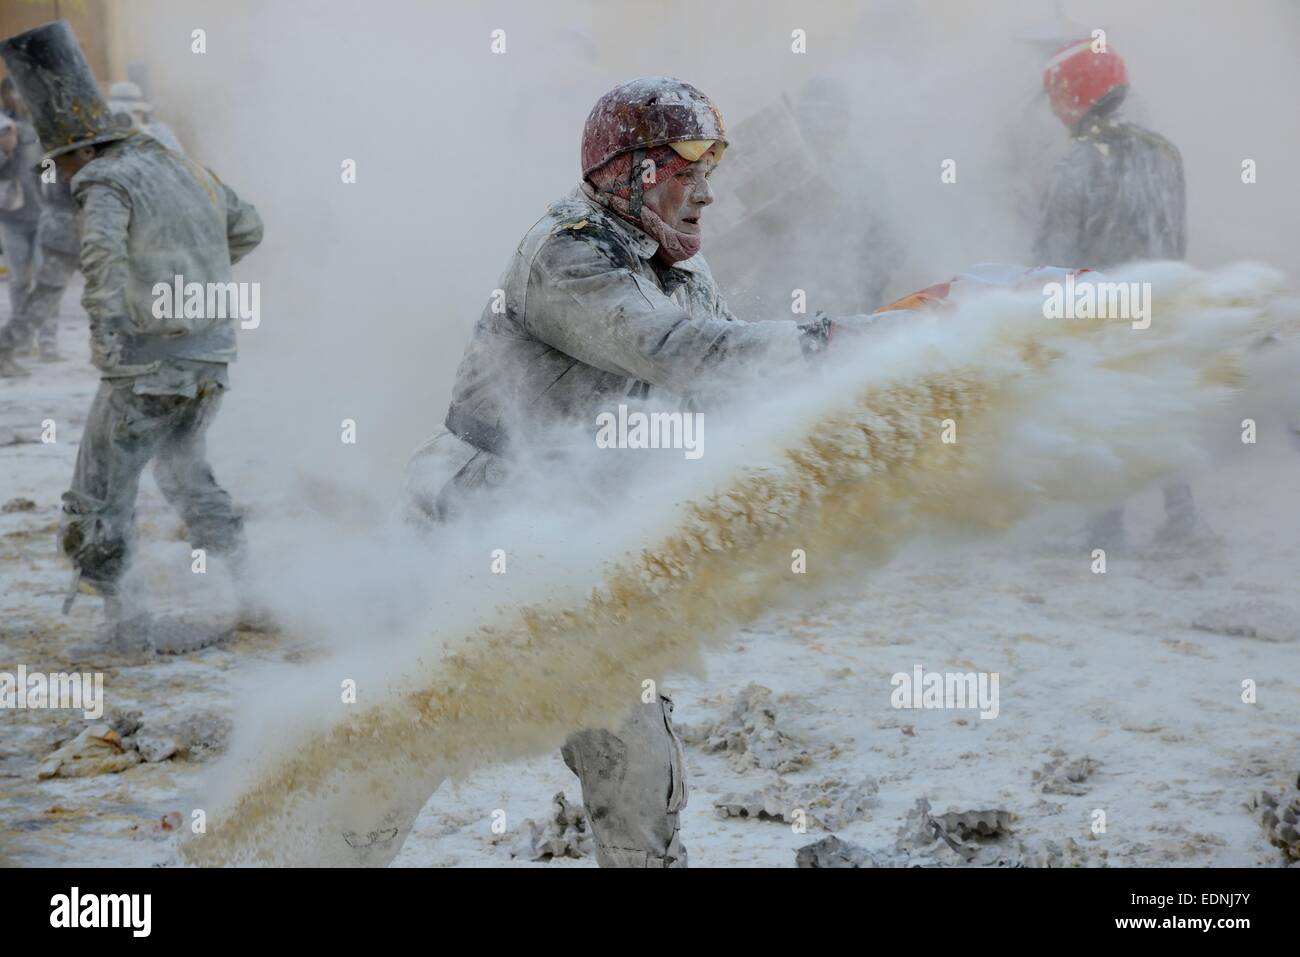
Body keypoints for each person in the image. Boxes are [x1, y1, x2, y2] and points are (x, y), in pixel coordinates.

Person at [404, 76, 884, 868]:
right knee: (399, 742)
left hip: (575, 538)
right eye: (686, 171)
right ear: (628, 171)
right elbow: (678, 353)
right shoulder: (566, 254)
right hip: (476, 523)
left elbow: (734, 381)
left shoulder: (675, 266)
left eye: (710, 173)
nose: (707, 195)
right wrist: (850, 339)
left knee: (632, 749)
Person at [0, 20, 264, 649]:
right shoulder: (181, 165)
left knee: (96, 500)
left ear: (81, 148)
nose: (61, 175)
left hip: (145, 367)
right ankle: (255, 593)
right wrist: (189, 275)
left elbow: (103, 262)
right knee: (187, 478)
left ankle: (126, 625)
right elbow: (248, 228)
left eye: (61, 160)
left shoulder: (103, 179)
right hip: (210, 358)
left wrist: (111, 336)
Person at [1034, 38, 1205, 551]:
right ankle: (1183, 518)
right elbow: (1176, 236)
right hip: (1162, 296)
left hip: (1100, 307)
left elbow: (1055, 253)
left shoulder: (1080, 162)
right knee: (1162, 403)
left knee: (1103, 411)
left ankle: (1106, 531)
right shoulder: (1163, 151)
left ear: (1074, 94)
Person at [0, 81, 43, 376]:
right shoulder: (3, 126)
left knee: (44, 278)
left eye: (20, 91)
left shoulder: (41, 123)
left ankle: (47, 341)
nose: (17, 98)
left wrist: (52, 192)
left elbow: (51, 164)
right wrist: (6, 150)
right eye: (11, 92)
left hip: (43, 214)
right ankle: (21, 339)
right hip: (11, 216)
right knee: (18, 280)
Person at [106, 79, 185, 154]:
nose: (131, 118)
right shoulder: (105, 135)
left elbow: (176, 158)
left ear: (143, 112)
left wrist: (145, 136)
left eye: (136, 112)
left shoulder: (160, 132)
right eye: (122, 115)